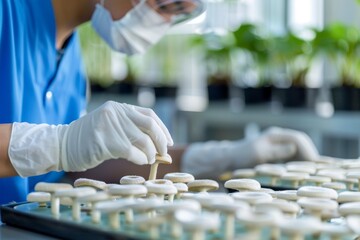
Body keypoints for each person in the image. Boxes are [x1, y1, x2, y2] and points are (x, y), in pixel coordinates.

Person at [0, 0, 319, 204]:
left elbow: (72, 164)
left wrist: (215, 157)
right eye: (171, 5)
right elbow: (60, 150)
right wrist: (60, 144)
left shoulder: (71, 60)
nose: (162, 22)